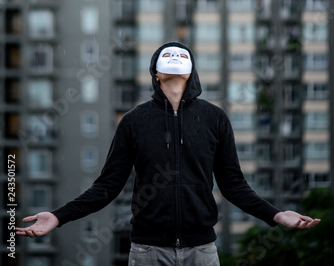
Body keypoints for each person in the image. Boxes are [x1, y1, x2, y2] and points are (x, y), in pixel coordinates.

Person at [16, 42, 320, 266]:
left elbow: (234, 185)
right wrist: (57, 217)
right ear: (156, 74)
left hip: (202, 251)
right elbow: (107, 186)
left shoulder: (215, 119)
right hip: (147, 251)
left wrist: (277, 214)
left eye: (180, 59)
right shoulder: (135, 121)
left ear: (191, 73)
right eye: (168, 60)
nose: (174, 64)